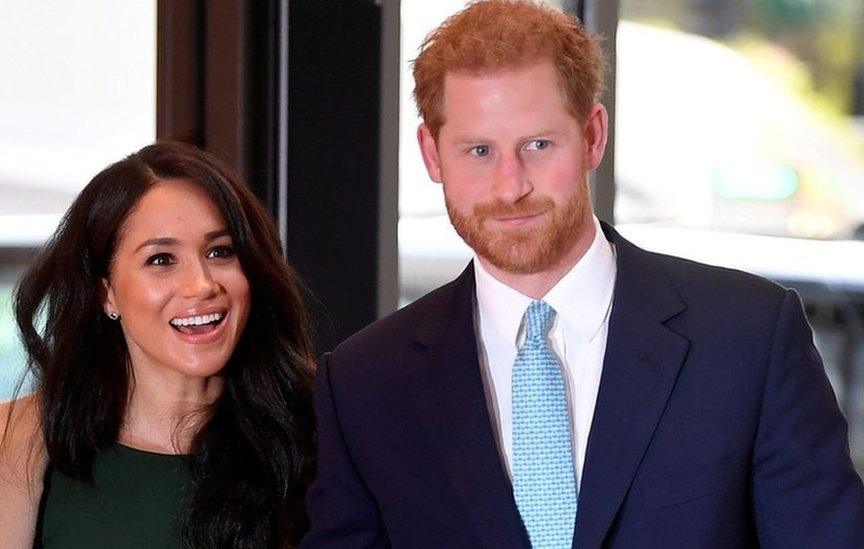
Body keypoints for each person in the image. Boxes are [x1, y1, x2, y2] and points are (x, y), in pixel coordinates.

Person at [302, 1, 864, 547]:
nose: (510, 185)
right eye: (478, 151)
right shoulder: (364, 385)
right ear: (431, 153)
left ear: (593, 135)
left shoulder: (748, 337)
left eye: (539, 145)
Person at [0, 142, 315, 548]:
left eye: (221, 252)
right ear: (106, 292)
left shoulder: (317, 434)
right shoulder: (9, 446)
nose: (201, 285)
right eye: (161, 260)